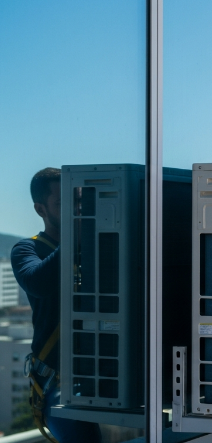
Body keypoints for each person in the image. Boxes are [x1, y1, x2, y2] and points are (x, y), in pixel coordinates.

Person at [11, 168, 102, 443]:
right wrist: (77, 232)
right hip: (59, 380)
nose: (76, 210)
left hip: (105, 371)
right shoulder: (28, 249)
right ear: (41, 209)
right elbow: (38, 283)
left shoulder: (101, 245)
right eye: (64, 203)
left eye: (79, 201)